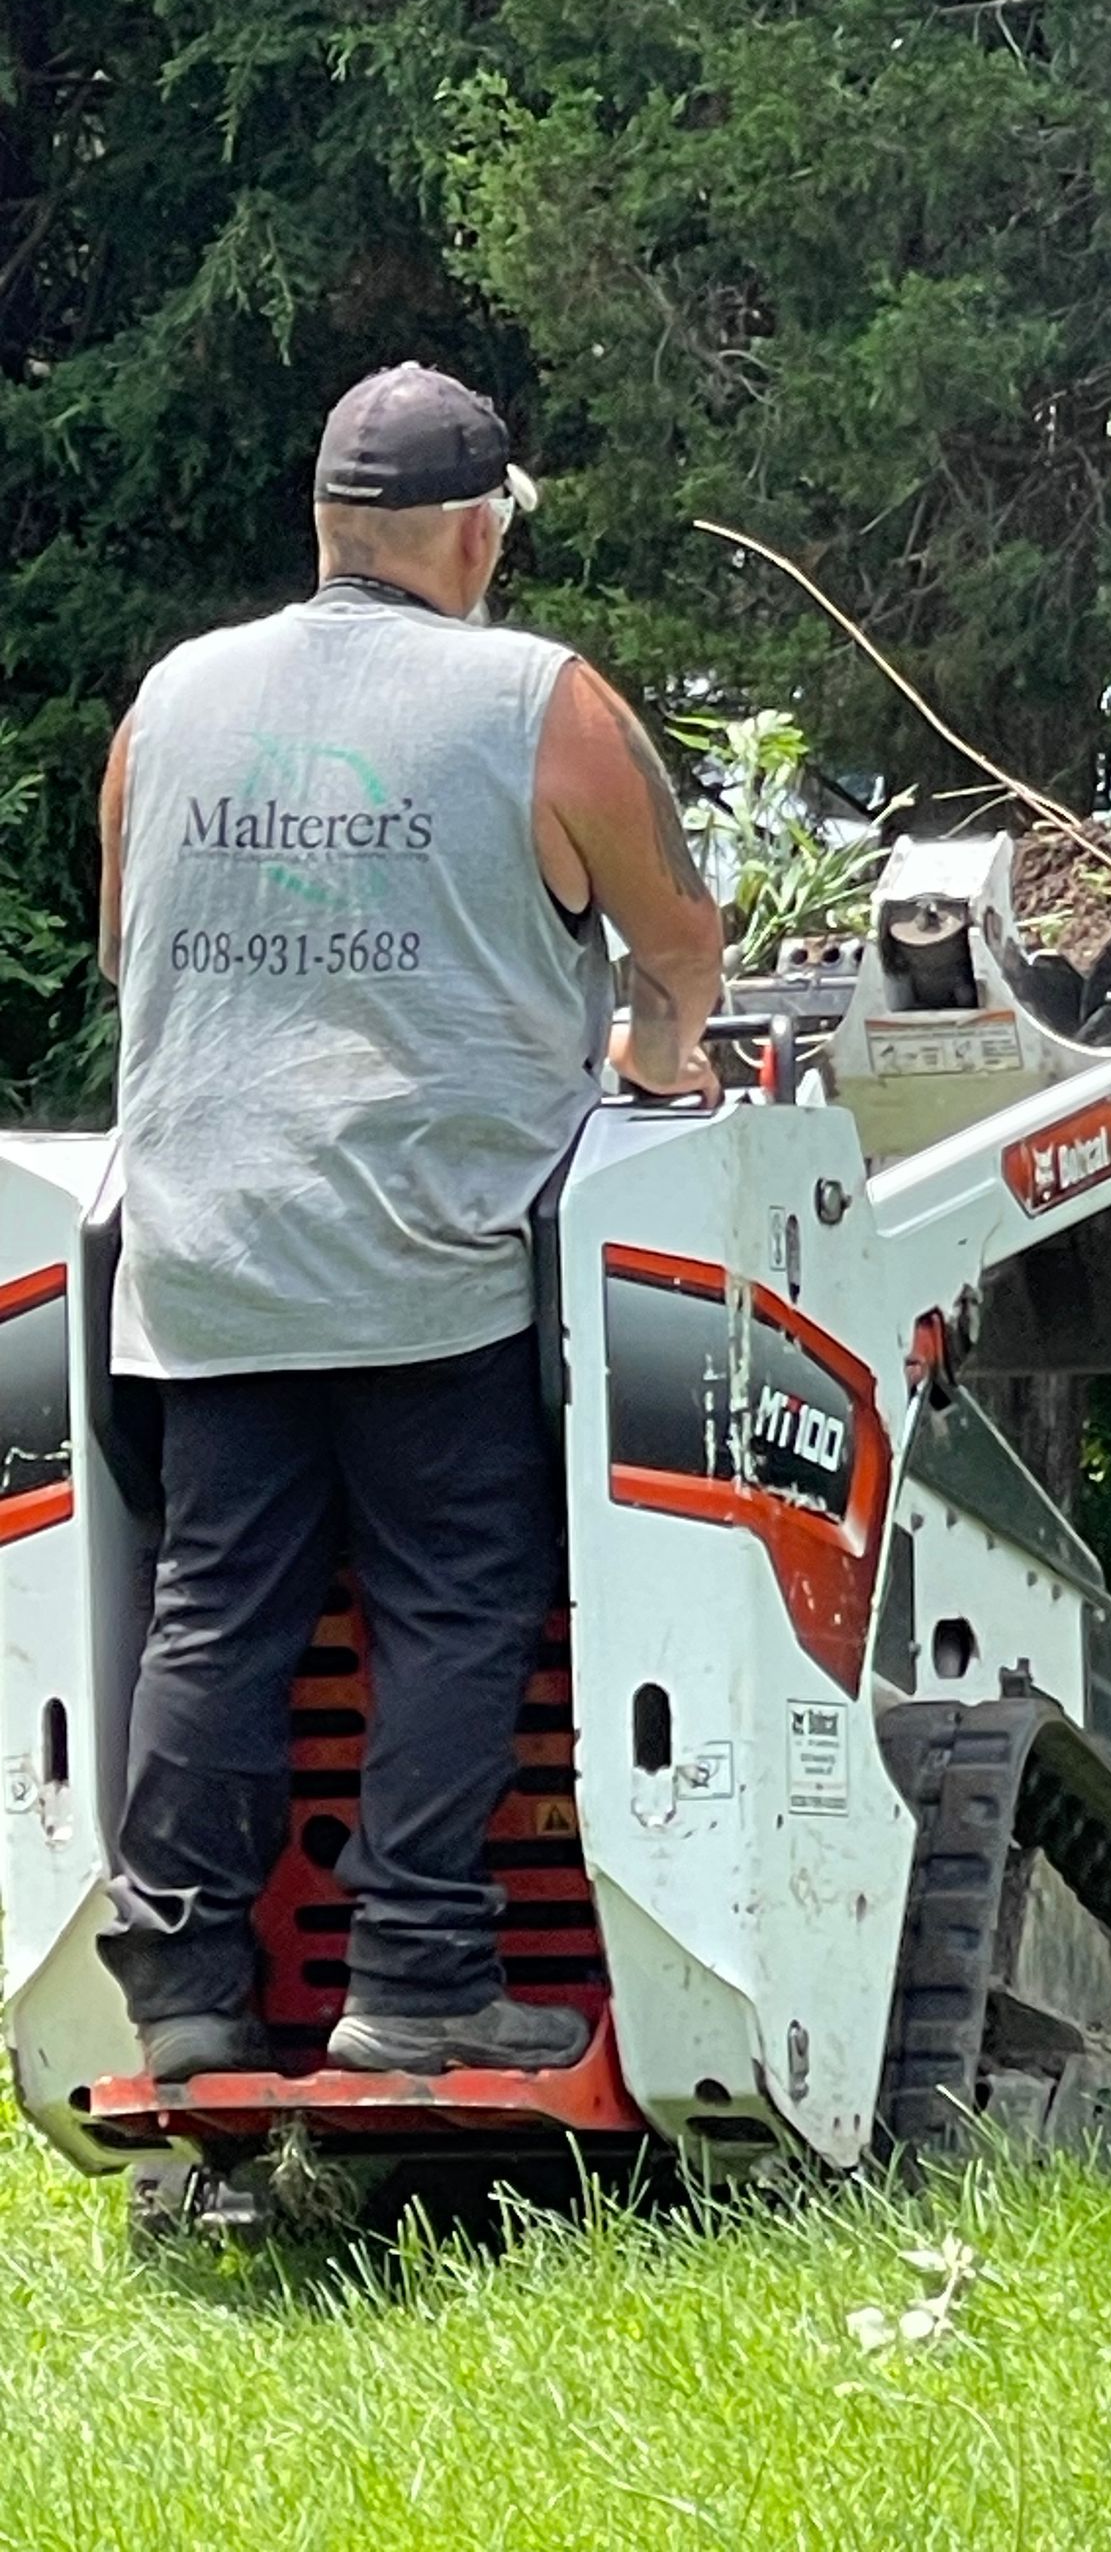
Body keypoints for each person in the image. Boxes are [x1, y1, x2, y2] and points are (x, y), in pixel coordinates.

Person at [94, 361, 724, 2084]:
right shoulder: (543, 701)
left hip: (206, 1261)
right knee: (460, 1594)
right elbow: (679, 954)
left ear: (325, 524)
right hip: (433, 1262)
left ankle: (187, 1991)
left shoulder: (169, 704)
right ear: (474, 528)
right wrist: (655, 1065)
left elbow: (125, 957)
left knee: (218, 1610)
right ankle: (426, 1975)